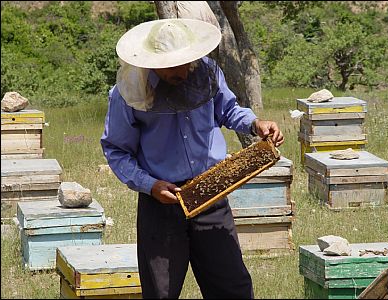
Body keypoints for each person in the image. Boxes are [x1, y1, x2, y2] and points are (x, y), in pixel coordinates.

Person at [100, 18, 284, 299]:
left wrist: (254, 123)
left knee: (233, 288)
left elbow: (229, 110)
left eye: (186, 61)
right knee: (161, 292)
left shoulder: (207, 71)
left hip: (212, 194)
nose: (183, 71)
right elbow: (116, 150)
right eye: (173, 65)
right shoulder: (128, 92)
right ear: (153, 62)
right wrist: (150, 185)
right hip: (162, 203)